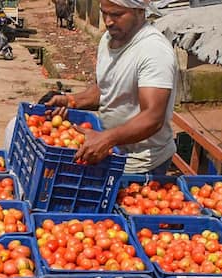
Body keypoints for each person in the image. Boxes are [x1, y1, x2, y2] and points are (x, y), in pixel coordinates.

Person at [43, 0, 177, 175]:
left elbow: (153, 118)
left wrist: (107, 139)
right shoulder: (109, 39)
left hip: (141, 164)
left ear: (139, 11)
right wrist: (72, 101)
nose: (108, 21)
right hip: (109, 151)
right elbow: (106, 88)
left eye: (116, 14)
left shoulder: (153, 51)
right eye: (104, 13)